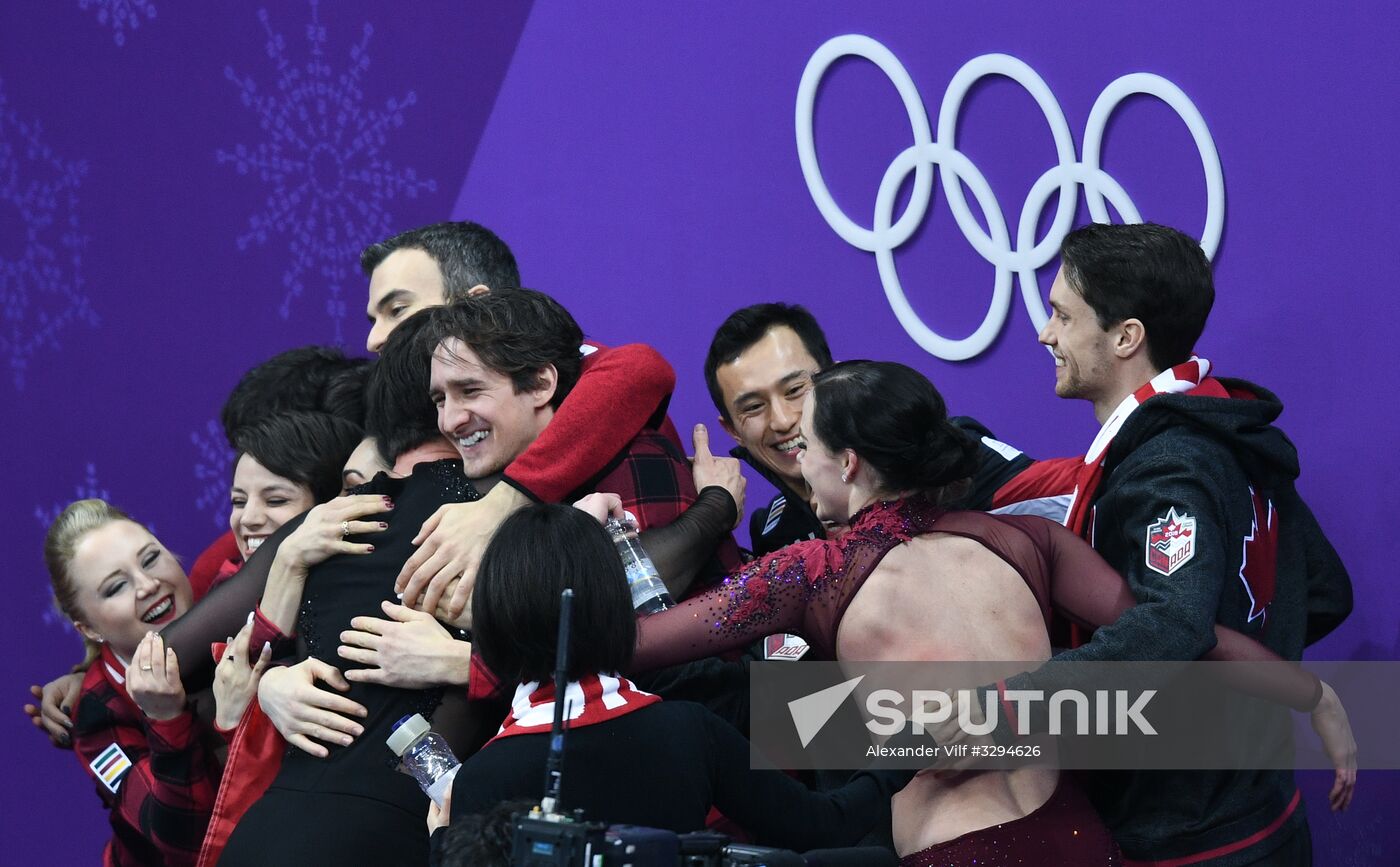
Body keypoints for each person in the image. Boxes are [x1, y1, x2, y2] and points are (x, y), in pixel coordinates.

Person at [631, 360, 1351, 864]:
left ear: (848, 462)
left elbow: (633, 645)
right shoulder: (1031, 541)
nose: (799, 461)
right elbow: (1181, 631)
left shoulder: (810, 572)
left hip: (963, 854)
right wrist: (1309, 691)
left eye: (808, 446)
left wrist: (658, 527)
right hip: (1082, 840)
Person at [976, 222, 1354, 864]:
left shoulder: (1169, 465)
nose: (1045, 335)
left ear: (1126, 337)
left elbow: (1173, 625)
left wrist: (1016, 700)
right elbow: (1322, 591)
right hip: (1258, 809)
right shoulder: (1225, 421)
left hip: (1189, 837)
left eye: (1062, 318)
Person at [443, 503, 914, 852]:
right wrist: (904, 750)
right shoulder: (688, 729)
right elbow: (826, 824)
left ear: (491, 612)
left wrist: (442, 838)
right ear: (614, 602)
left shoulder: (479, 779)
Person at [358, 220, 730, 624]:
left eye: (397, 309)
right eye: (373, 318)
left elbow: (643, 367)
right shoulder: (407, 412)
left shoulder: (583, 382)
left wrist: (505, 501)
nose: (375, 339)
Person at [44, 499, 265, 866]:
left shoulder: (215, 577)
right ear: (88, 628)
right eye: (116, 587)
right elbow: (189, 842)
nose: (148, 584)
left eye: (150, 559)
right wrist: (167, 720)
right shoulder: (96, 713)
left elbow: (282, 527)